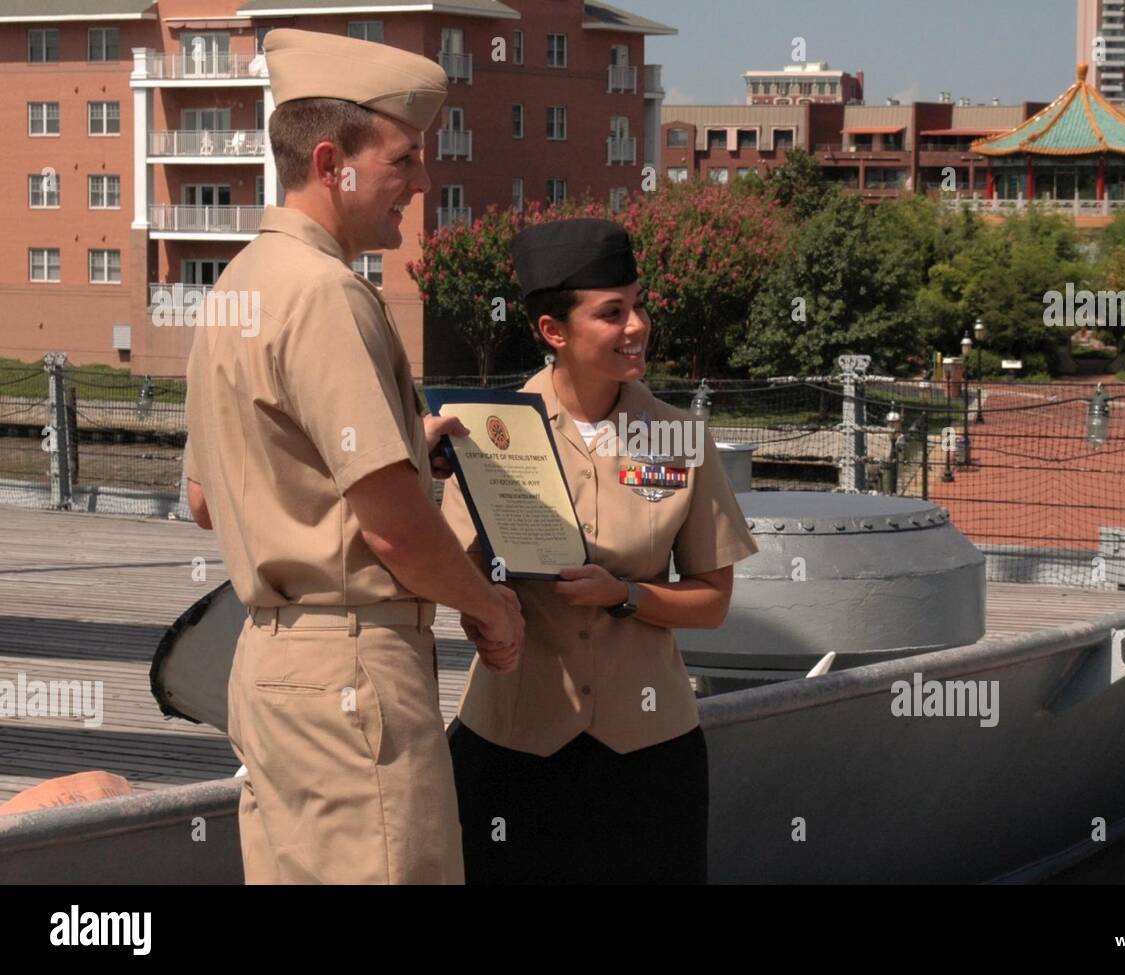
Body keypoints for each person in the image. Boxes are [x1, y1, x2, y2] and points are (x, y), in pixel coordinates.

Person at [183, 28, 523, 885]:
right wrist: (489, 607)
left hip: (270, 670)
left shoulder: (236, 288)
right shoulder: (330, 295)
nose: (420, 181)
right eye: (403, 159)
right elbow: (397, 533)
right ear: (332, 160)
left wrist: (406, 450)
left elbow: (207, 497)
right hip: (353, 672)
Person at [439, 218, 759, 883]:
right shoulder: (488, 433)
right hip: (512, 746)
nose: (637, 325)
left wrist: (627, 595)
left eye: (639, 304)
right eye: (612, 312)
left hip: (648, 755)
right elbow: (452, 571)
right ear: (554, 332)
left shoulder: (680, 438)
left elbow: (713, 601)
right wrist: (482, 615)